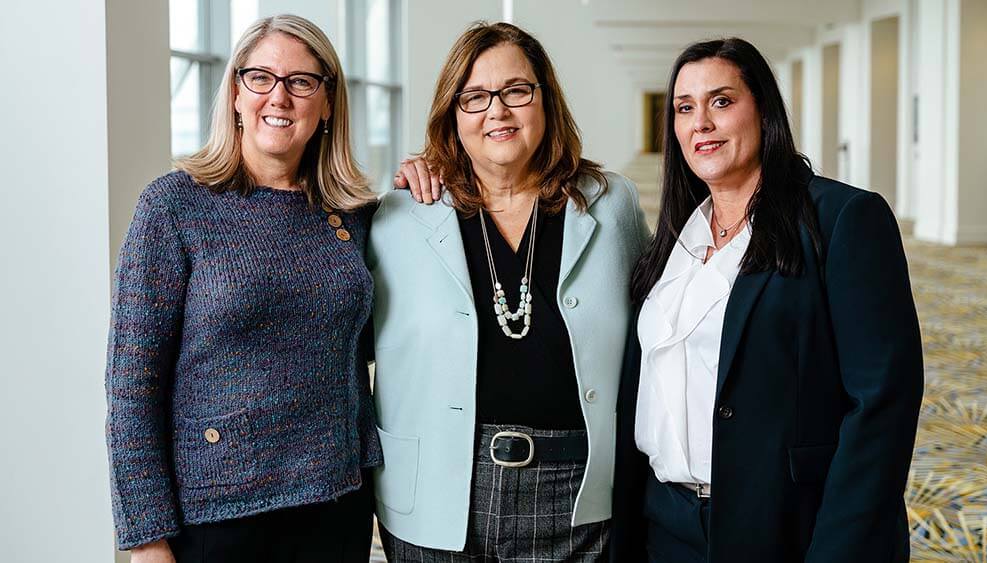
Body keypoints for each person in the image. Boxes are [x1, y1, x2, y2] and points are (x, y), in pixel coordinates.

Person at [611, 38, 924, 562]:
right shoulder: (672, 241)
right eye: (685, 108)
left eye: (722, 101)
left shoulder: (841, 219)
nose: (700, 123)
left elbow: (882, 405)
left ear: (764, 110)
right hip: (664, 523)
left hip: (784, 526)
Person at [368, 22, 649, 562]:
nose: (497, 111)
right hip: (437, 492)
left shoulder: (612, 207)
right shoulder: (399, 217)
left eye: (516, 91)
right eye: (474, 97)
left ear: (545, 99)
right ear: (453, 114)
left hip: (578, 496)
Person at [105, 15, 380, 563]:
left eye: (302, 81)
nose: (279, 96)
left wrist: (431, 176)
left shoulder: (355, 216)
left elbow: (370, 348)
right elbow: (131, 390)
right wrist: (145, 539)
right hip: (217, 519)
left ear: (327, 104)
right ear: (234, 92)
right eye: (260, 78)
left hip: (338, 507)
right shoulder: (173, 207)